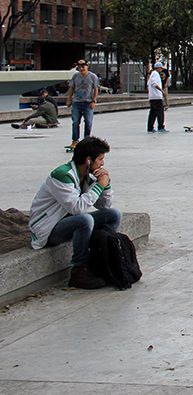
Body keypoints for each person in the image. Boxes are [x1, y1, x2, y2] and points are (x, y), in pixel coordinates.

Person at [30, 136, 120, 289]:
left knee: (113, 214)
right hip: (47, 228)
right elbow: (76, 208)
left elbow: (105, 205)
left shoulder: (88, 176)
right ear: (88, 160)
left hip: (68, 221)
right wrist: (99, 186)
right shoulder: (62, 175)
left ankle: (99, 257)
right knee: (85, 220)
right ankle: (79, 269)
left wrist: (106, 184)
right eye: (100, 159)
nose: (103, 163)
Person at [66, 59, 99, 149]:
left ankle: (86, 140)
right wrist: (69, 99)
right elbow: (71, 88)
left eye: (83, 66)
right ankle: (75, 140)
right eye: (79, 66)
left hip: (88, 102)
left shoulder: (93, 76)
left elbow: (96, 89)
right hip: (77, 102)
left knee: (88, 121)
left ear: (87, 66)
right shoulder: (75, 76)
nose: (81, 68)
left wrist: (94, 101)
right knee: (75, 122)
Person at [146, 62, 168, 133]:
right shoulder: (155, 74)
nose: (161, 69)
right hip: (156, 97)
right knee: (160, 112)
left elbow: (148, 84)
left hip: (152, 97)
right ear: (158, 68)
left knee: (153, 113)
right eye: (161, 68)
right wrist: (162, 91)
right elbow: (154, 84)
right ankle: (161, 127)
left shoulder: (152, 74)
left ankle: (150, 128)